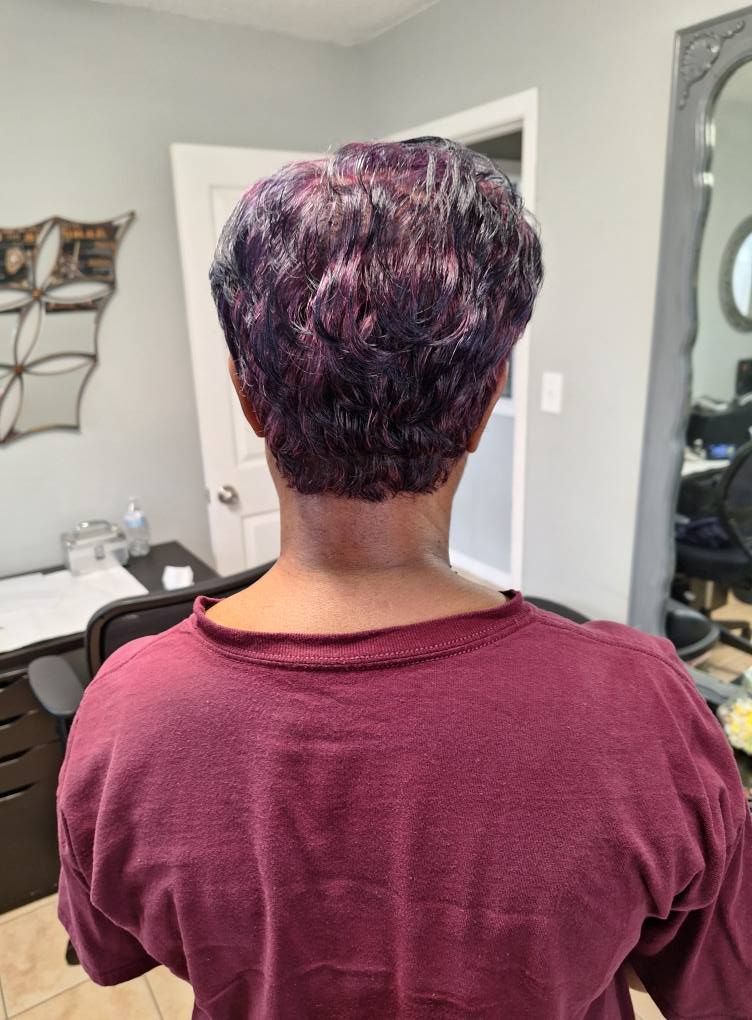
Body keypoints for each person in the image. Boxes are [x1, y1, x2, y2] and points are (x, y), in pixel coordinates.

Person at [57, 138, 752, 1019]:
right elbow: (722, 986)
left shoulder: (126, 711)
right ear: (485, 399)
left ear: (247, 395)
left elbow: (103, 951)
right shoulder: (647, 712)